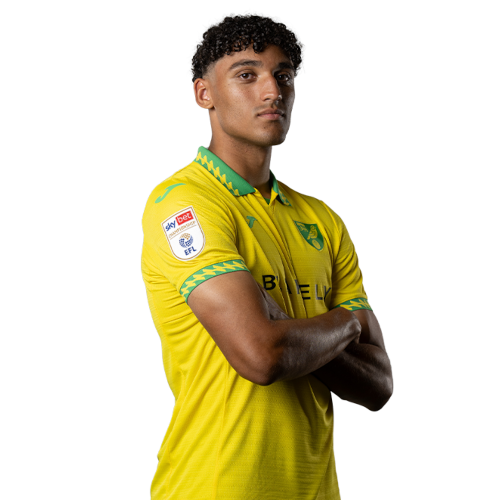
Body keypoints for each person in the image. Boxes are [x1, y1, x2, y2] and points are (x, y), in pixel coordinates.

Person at [140, 10, 393, 500]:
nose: (273, 90)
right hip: (215, 488)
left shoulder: (322, 220)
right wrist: (343, 325)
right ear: (203, 94)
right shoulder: (184, 203)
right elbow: (261, 356)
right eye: (247, 75)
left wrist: (290, 326)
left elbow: (378, 385)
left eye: (284, 75)